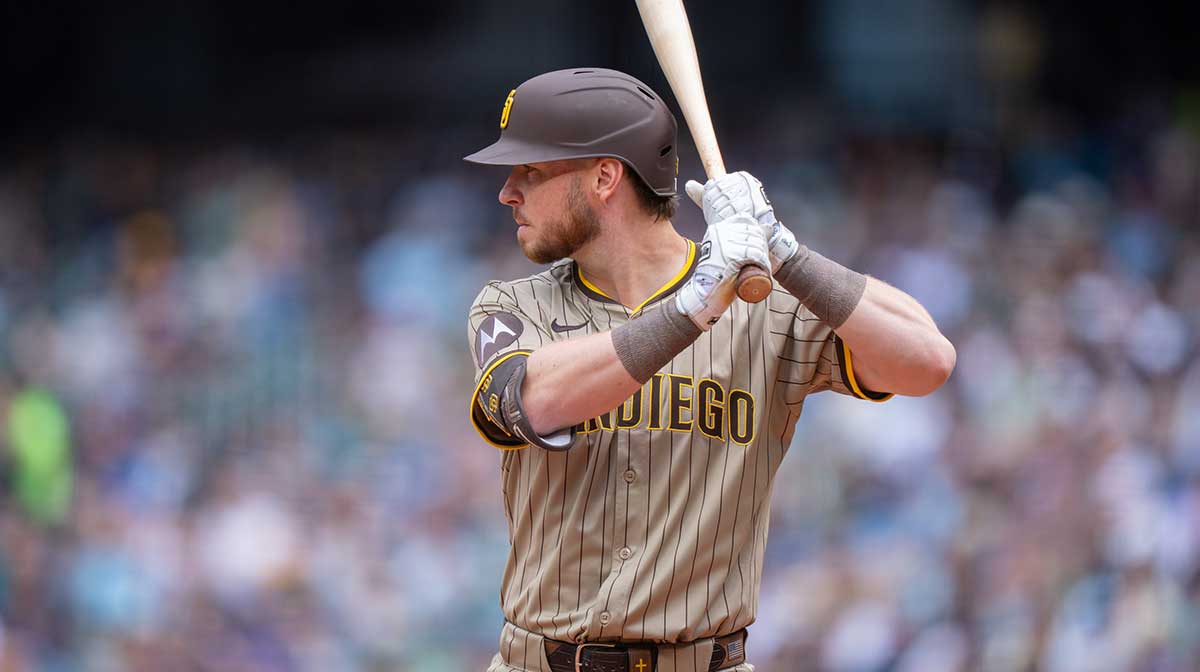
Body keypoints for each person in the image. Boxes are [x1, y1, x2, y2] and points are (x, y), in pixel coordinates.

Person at [464, 68, 955, 672]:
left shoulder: (761, 300)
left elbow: (928, 361)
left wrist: (785, 251)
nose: (507, 192)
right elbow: (532, 401)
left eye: (530, 172)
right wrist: (691, 306)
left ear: (603, 176)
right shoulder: (512, 306)